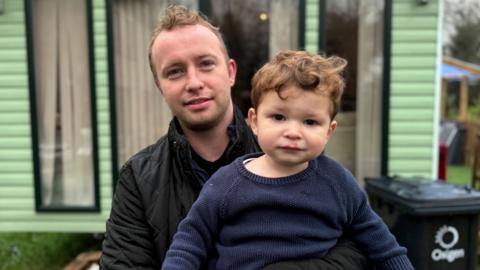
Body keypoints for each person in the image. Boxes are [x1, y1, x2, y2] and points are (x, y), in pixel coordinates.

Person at [100, 5, 370, 270]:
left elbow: (358, 247)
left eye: (206, 64)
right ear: (160, 86)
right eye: (175, 71)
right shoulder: (138, 178)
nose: (193, 82)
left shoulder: (290, 150)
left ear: (230, 72)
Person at [161, 50, 414, 270]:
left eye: (310, 122)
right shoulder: (226, 183)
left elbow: (383, 246)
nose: (293, 132)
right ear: (255, 121)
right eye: (279, 117)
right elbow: (189, 242)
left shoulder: (338, 183)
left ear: (329, 131)